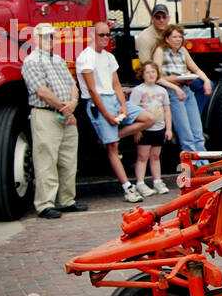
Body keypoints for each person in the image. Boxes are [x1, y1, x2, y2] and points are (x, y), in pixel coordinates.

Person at [77, 22, 155, 203]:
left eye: (107, 35)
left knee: (148, 118)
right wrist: (106, 114)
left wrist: (124, 106)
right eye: (101, 35)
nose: (105, 38)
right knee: (113, 148)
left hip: (113, 98)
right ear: (93, 35)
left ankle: (112, 136)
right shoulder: (85, 57)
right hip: (98, 103)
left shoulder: (109, 57)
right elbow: (92, 90)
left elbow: (116, 84)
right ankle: (127, 187)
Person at [21, 22, 85, 219]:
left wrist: (73, 102)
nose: (49, 40)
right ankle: (45, 204)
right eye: (45, 36)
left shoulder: (58, 59)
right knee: (46, 159)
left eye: (51, 36)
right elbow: (41, 91)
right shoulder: (31, 61)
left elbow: (73, 84)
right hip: (46, 114)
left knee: (68, 159)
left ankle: (67, 200)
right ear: (36, 39)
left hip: (64, 113)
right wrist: (65, 108)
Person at [152, 24, 212, 155]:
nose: (178, 39)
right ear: (167, 38)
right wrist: (174, 85)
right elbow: (155, 76)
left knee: (197, 133)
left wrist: (206, 81)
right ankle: (192, 167)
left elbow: (196, 69)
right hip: (173, 93)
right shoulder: (160, 51)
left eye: (180, 36)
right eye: (174, 37)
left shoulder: (183, 51)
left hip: (186, 90)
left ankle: (204, 165)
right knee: (186, 135)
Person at [128, 62, 173, 195]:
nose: (151, 75)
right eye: (147, 72)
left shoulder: (162, 90)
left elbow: (167, 110)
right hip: (145, 129)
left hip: (159, 128)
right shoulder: (138, 91)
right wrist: (137, 130)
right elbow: (133, 111)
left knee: (155, 156)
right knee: (142, 156)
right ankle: (140, 183)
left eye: (153, 71)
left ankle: (157, 181)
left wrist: (168, 129)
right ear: (142, 75)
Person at [134, 4, 171, 75]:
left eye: (164, 17)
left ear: (168, 18)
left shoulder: (172, 34)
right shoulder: (144, 38)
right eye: (158, 17)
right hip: (154, 76)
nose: (161, 20)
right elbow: (146, 66)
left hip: (174, 73)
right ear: (152, 19)